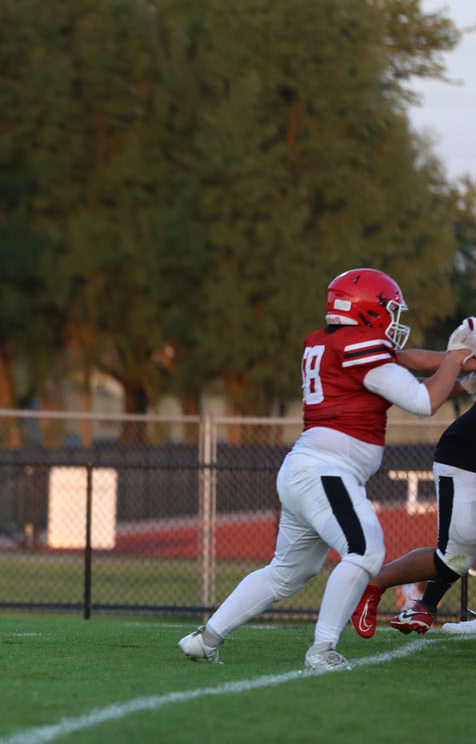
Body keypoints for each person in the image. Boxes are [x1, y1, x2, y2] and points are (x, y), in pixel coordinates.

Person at [177, 268, 473, 671]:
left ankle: (206, 639)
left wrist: (463, 367)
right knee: (365, 551)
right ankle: (323, 650)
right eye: (389, 309)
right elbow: (424, 401)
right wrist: (457, 358)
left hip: (306, 468)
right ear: (370, 309)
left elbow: (412, 363)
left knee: (287, 573)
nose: (394, 319)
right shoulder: (359, 345)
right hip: (326, 471)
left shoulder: (335, 343)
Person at [349, 321, 476, 637]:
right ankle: (373, 585)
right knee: (452, 560)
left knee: (459, 556)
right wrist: (385, 361)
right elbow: (444, 367)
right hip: (463, 459)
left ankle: (425, 607)